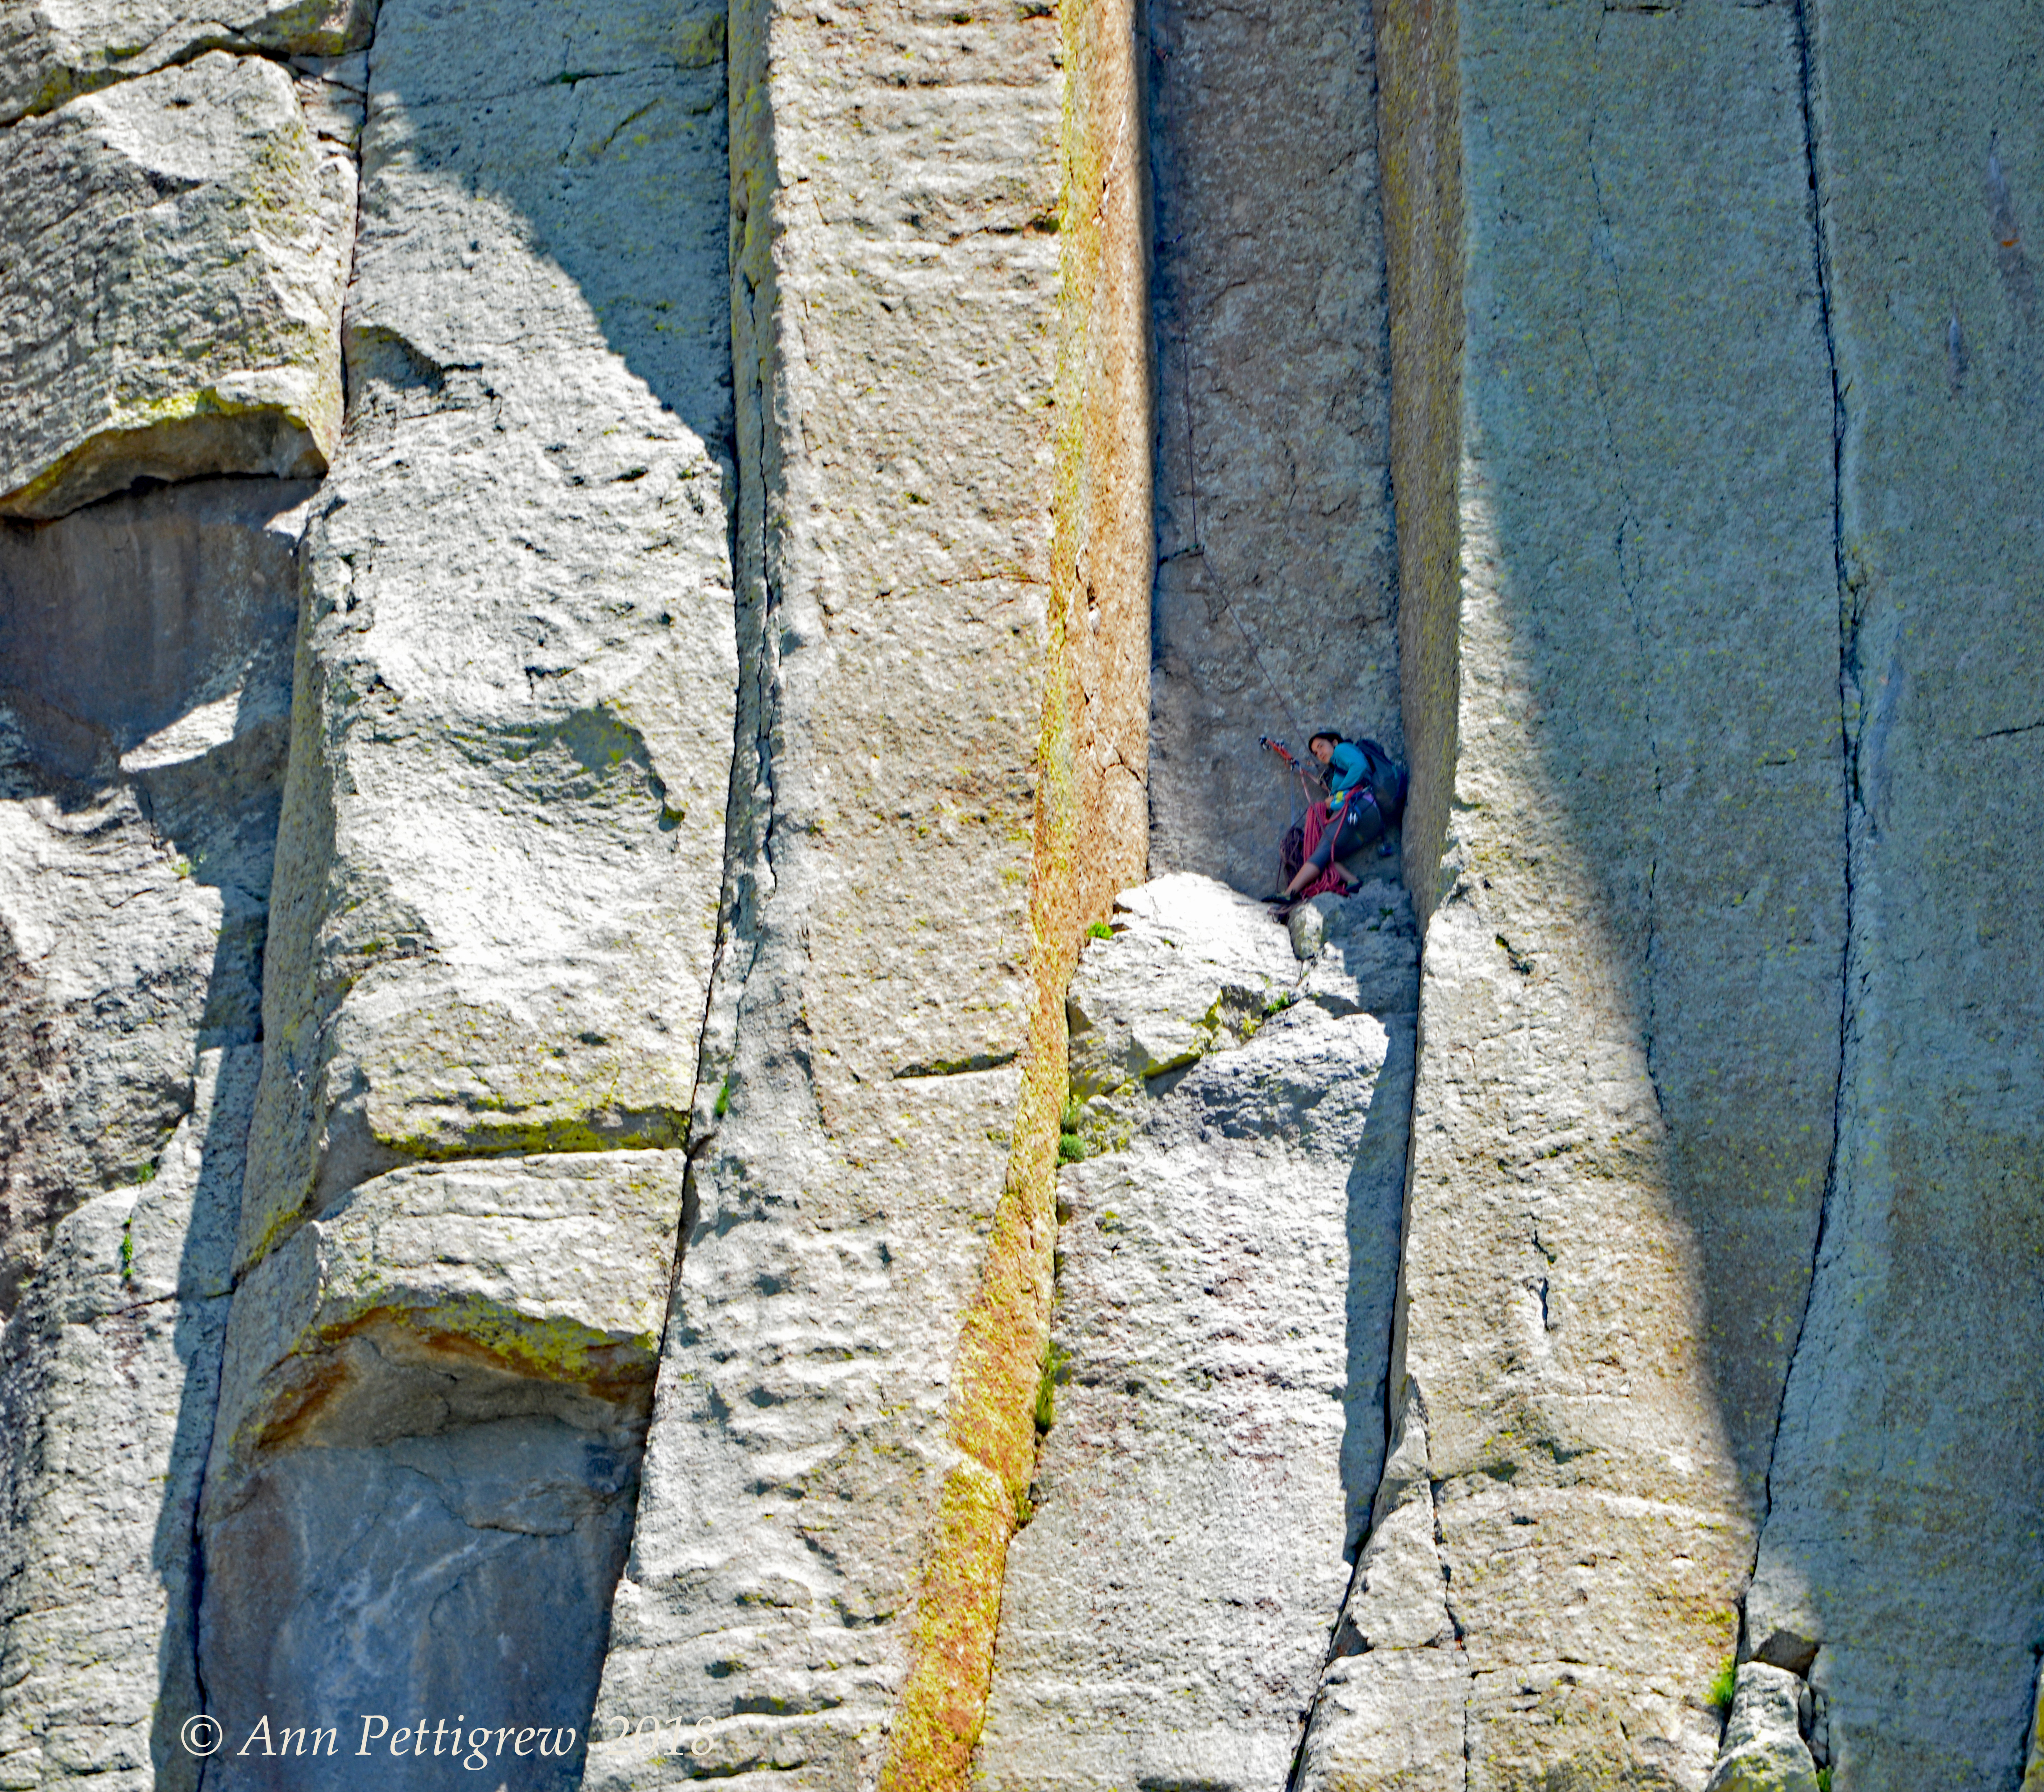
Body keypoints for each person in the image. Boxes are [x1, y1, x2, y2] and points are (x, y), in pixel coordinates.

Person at [1276, 732, 1384, 901]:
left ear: (1334, 742)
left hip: (1359, 807)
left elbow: (1359, 767)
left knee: (1322, 851)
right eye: (1316, 753)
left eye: (1321, 746)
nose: (1320, 753)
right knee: (1329, 855)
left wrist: (1335, 798)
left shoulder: (1342, 749)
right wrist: (1332, 802)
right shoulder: (1337, 770)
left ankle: (1289, 894)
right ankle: (1353, 881)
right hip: (1370, 817)